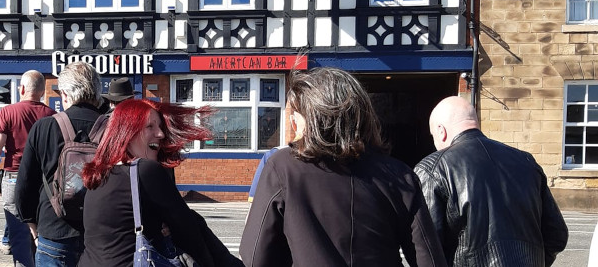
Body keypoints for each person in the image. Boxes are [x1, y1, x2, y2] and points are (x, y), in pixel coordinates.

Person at [239, 67, 446, 267]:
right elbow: (429, 258)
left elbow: (256, 256)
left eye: (297, 116)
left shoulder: (282, 167)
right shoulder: (400, 175)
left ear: (312, 119)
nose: (293, 124)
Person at [79, 99, 243, 267]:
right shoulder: (145, 170)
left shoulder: (99, 175)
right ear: (127, 133)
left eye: (160, 127)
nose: (161, 134)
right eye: (150, 127)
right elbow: (190, 232)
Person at [414, 96, 568, 266]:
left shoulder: (433, 168)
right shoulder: (526, 161)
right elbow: (557, 235)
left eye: (433, 136)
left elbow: (426, 249)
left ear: (441, 131)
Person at [14, 62, 104, 267]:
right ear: (98, 92)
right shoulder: (113, 128)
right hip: (100, 233)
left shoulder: (45, 127)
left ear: (64, 94)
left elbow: (25, 183)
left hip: (54, 229)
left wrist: (32, 224)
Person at [0, 70, 55, 267]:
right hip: (42, 180)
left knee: (18, 229)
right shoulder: (52, 115)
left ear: (22, 88)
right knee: (40, 227)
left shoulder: (8, 112)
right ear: (42, 92)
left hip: (14, 176)